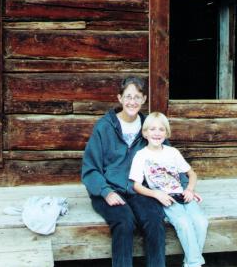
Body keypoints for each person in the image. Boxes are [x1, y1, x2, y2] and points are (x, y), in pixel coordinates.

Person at [81, 77, 166, 267]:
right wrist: (106, 192)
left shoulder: (149, 126)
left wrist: (186, 187)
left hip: (139, 189)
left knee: (155, 220)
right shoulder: (105, 127)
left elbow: (168, 159)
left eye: (137, 97)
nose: (132, 102)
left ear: (144, 99)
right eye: (128, 96)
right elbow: (90, 168)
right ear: (120, 98)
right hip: (108, 190)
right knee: (125, 222)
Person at [129, 112, 209, 267]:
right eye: (152, 129)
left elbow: (191, 174)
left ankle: (190, 262)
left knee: (201, 222)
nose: (157, 133)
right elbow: (136, 185)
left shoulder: (172, 152)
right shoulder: (141, 156)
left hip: (183, 195)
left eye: (161, 129)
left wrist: (190, 189)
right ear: (145, 133)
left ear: (166, 133)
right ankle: (194, 263)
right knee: (184, 223)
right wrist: (155, 194)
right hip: (167, 199)